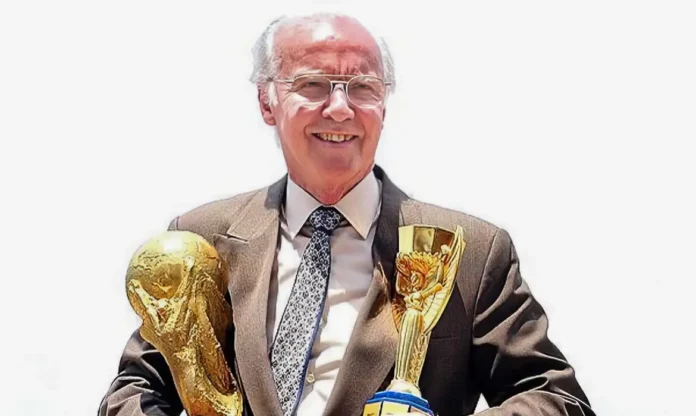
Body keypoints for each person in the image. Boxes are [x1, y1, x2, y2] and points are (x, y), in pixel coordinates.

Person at [99, 13, 594, 416]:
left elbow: (556, 398)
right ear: (267, 102)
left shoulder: (471, 253)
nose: (340, 108)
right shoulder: (201, 242)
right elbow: (134, 391)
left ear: (384, 104)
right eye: (313, 84)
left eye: (362, 87)